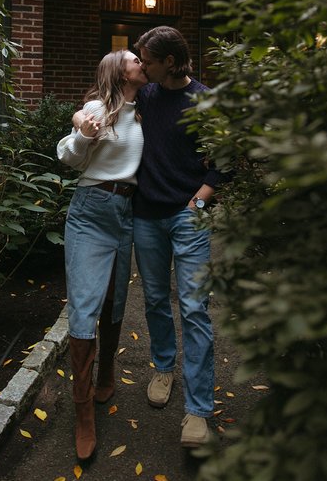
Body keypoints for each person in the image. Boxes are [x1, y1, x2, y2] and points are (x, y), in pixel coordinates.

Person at [132, 25, 224, 448]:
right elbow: (103, 101)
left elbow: (224, 163)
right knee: (154, 299)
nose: (140, 65)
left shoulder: (204, 102)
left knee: (193, 308)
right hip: (146, 216)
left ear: (170, 61)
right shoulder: (146, 97)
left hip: (187, 216)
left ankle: (198, 412)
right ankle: (163, 366)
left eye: (146, 59)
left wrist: (197, 206)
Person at [56, 49, 147, 461]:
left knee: (114, 300)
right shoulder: (97, 108)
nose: (141, 62)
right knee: (84, 306)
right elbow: (68, 158)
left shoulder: (147, 108)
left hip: (128, 210)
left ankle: (106, 368)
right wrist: (83, 132)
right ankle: (83, 411)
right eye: (133, 59)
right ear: (118, 70)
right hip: (92, 209)